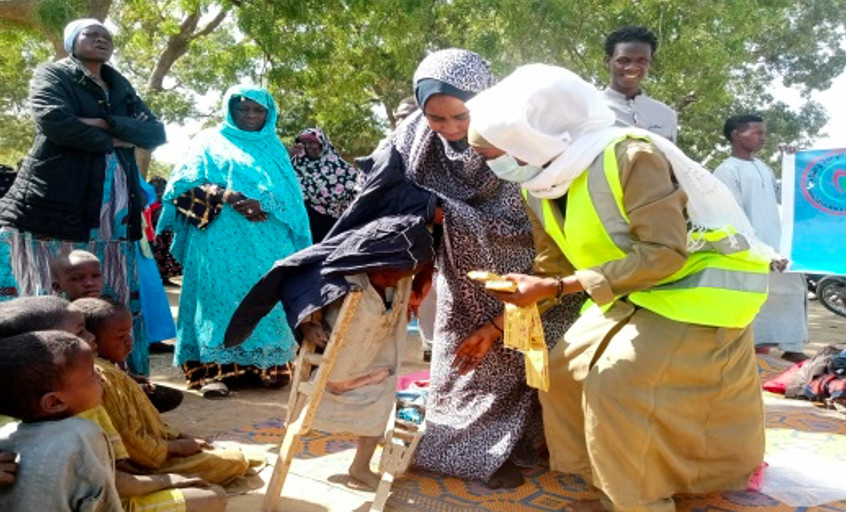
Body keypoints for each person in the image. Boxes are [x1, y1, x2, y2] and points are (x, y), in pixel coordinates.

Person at [465, 63, 771, 511]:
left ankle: (640, 502)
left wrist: (556, 286)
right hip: (631, 292)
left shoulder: (631, 157)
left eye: (495, 152)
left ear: (533, 136)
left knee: (616, 382)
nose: (492, 164)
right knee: (562, 372)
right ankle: (608, 486)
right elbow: (554, 262)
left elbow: (665, 254)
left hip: (694, 293)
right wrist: (509, 310)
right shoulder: (539, 183)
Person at [324, 49, 582, 489]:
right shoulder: (412, 140)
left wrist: (449, 213)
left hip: (527, 272)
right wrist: (429, 225)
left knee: (518, 364)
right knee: (461, 359)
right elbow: (380, 194)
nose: (452, 130)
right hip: (460, 274)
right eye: (436, 120)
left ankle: (517, 444)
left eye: (462, 117)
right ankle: (469, 453)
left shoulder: (517, 136)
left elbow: (533, 217)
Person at [0, 18, 167, 377]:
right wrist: (120, 133)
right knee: (53, 298)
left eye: (106, 36)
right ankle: (53, 380)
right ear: (71, 41)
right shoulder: (53, 75)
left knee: (112, 299)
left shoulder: (120, 87)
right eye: (91, 35)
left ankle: (123, 384)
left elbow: (154, 133)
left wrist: (98, 122)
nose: (101, 40)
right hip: (56, 208)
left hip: (115, 221)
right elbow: (54, 121)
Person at [226, 214, 434, 490]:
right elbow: (301, 290)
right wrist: (309, 326)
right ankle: (288, 458)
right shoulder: (340, 273)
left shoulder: (401, 275)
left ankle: (360, 467)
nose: (391, 280)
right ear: (371, 259)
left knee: (381, 409)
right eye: (387, 273)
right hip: (332, 370)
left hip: (375, 366)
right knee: (304, 420)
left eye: (400, 277)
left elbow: (408, 268)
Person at [157, 85, 312, 397]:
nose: (251, 116)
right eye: (244, 109)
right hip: (218, 241)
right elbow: (179, 188)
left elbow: (292, 199)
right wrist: (225, 195)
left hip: (268, 242)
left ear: (269, 114)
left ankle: (268, 366)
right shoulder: (207, 143)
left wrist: (263, 204)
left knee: (266, 297)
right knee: (216, 299)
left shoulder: (274, 149)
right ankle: (212, 371)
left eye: (258, 110)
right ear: (230, 110)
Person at [0, 330, 227, 512]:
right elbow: (107, 502)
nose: (100, 376)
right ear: (53, 402)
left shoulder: (6, 435)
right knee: (214, 496)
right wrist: (169, 480)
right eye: (91, 373)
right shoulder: (84, 433)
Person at [74, 297, 254, 485]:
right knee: (233, 462)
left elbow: (151, 426)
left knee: (224, 454)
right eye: (120, 337)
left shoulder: (113, 369)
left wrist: (182, 440)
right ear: (93, 340)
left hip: (155, 451)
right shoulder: (102, 379)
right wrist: (176, 447)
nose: (129, 341)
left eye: (129, 333)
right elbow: (133, 445)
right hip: (143, 464)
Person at [714, 114, 809, 362]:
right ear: (736, 134)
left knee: (792, 293)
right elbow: (732, 216)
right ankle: (753, 350)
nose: (763, 138)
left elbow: (785, 197)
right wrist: (759, 252)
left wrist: (792, 163)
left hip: (779, 246)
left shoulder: (763, 167)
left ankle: (792, 346)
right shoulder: (726, 170)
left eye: (764, 133)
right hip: (753, 251)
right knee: (757, 299)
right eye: (757, 132)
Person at [51, 251, 184, 413]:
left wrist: (129, 377)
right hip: (89, 387)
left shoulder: (107, 308)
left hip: (111, 378)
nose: (89, 283)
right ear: (57, 286)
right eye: (77, 279)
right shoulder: (66, 321)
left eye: (95, 276)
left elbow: (114, 359)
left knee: (169, 396)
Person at [602, 25, 678, 142]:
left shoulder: (666, 115)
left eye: (641, 61)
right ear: (608, 62)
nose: (632, 68)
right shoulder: (591, 108)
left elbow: (667, 158)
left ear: (650, 64)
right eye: (623, 60)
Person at [290, 128, 361, 242]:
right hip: (303, 224)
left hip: (332, 224)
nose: (308, 146)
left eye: (312, 142)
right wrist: (288, 155)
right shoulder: (295, 164)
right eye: (304, 143)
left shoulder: (340, 167)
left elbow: (358, 191)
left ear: (322, 143)